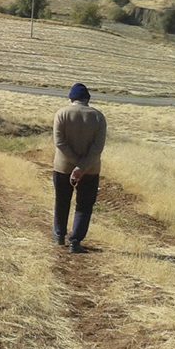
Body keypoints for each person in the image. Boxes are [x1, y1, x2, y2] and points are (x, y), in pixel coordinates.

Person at [53, 82, 107, 253]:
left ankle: (60, 236)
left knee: (62, 201)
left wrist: (75, 164)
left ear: (71, 98)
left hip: (62, 168)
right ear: (87, 99)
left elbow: (60, 143)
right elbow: (97, 148)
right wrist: (82, 167)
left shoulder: (61, 114)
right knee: (84, 205)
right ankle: (75, 241)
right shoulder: (98, 117)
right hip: (90, 170)